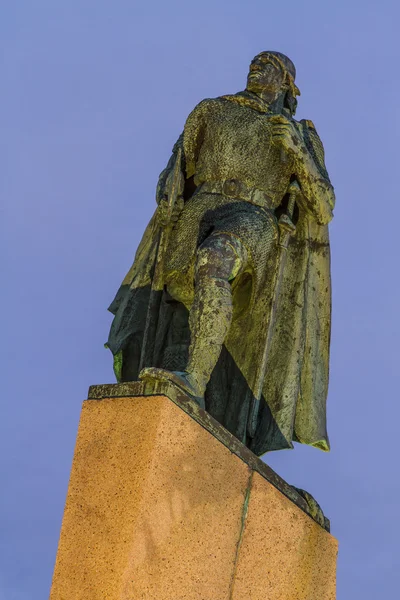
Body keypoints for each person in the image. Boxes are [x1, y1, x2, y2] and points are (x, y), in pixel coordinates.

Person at [106, 51, 335, 456]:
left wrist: (298, 153)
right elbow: (176, 168)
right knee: (181, 304)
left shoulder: (298, 132)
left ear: (286, 83)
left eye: (268, 64)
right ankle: (193, 389)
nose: (256, 67)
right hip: (200, 210)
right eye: (254, 62)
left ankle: (193, 378)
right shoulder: (212, 110)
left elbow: (324, 205)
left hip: (255, 215)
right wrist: (168, 194)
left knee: (216, 260)